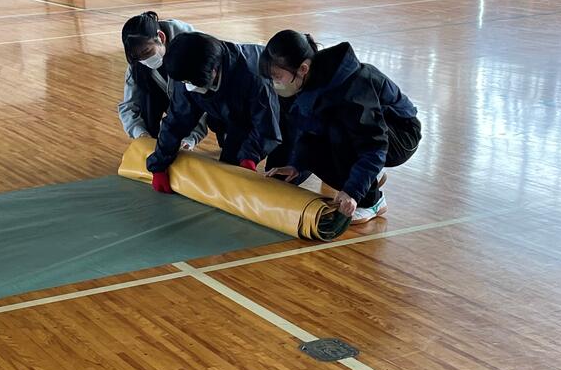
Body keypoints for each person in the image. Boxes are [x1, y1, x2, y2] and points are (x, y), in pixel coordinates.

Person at [261, 30, 422, 224]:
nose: (276, 83)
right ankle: (368, 175)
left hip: (402, 134)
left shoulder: (352, 89)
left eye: (278, 76)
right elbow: (309, 132)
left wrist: (352, 191)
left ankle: (371, 201)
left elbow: (374, 145)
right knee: (318, 142)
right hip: (371, 133)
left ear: (303, 68)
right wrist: (297, 165)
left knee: (337, 128)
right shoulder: (308, 81)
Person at [146, 32, 282, 193]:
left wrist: (249, 157)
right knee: (227, 171)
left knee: (281, 172)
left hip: (283, 111)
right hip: (234, 116)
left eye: (193, 82)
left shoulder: (253, 76)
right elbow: (177, 120)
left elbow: (267, 126)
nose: (189, 86)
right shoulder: (186, 72)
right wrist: (159, 165)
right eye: (186, 82)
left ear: (214, 70)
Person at [118, 11, 207, 150]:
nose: (144, 60)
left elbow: (202, 97)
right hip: (167, 96)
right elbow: (129, 105)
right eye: (138, 57)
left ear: (161, 37)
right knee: (144, 95)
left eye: (147, 52)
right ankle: (151, 141)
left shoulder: (191, 47)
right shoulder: (137, 60)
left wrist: (191, 137)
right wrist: (140, 134)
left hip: (206, 98)